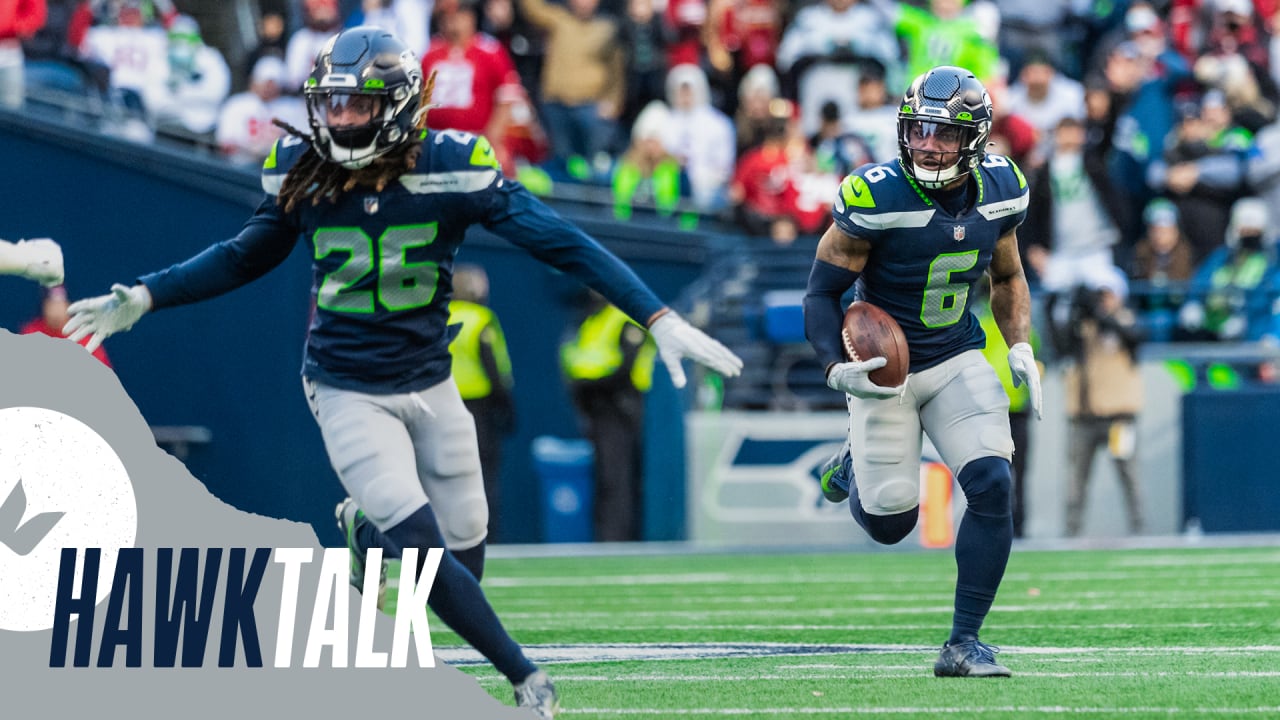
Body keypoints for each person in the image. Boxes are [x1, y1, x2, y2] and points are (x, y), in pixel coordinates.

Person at [63, 26, 742, 718]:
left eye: (357, 106)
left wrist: (656, 316)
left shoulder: (451, 167)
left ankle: (370, 546)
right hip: (345, 385)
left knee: (466, 553)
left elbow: (560, 242)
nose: (339, 120)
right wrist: (147, 293)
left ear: (396, 108)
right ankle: (523, 677)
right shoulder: (305, 171)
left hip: (430, 381)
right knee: (422, 550)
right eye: (330, 104)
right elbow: (243, 256)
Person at [804, 66, 1042, 677]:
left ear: (977, 139)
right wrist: (835, 366)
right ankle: (852, 463)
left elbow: (1008, 276)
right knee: (890, 523)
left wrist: (1019, 346)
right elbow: (819, 293)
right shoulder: (877, 195)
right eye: (919, 131)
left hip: (957, 353)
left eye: (945, 134)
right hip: (886, 368)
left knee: (993, 484)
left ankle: (964, 642)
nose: (929, 145)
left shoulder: (1001, 188)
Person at [1045, 264, 1144, 537]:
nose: (1102, 300)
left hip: (1118, 417)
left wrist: (1099, 314)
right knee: (1075, 482)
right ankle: (1071, 534)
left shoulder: (1125, 319)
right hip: (1084, 417)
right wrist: (1056, 307)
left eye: (1106, 294)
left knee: (1129, 478)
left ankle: (1140, 531)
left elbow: (1135, 337)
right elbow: (1060, 345)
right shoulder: (1082, 327)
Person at [559, 291, 656, 542]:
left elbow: (626, 368)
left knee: (618, 478)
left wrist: (590, 385)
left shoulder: (624, 320)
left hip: (621, 407)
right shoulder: (590, 321)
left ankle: (617, 539)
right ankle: (608, 537)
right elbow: (577, 362)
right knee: (606, 478)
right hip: (596, 409)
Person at [446, 264, 516, 540]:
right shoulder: (481, 319)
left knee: (444, 476)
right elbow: (493, 367)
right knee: (481, 476)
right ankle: (483, 537)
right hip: (477, 410)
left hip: (440, 406)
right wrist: (507, 407)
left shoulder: (440, 316)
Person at [21, 284, 111, 366]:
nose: (56, 309)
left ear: (69, 304)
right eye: (51, 304)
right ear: (43, 306)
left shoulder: (86, 341)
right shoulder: (30, 333)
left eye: (60, 303)